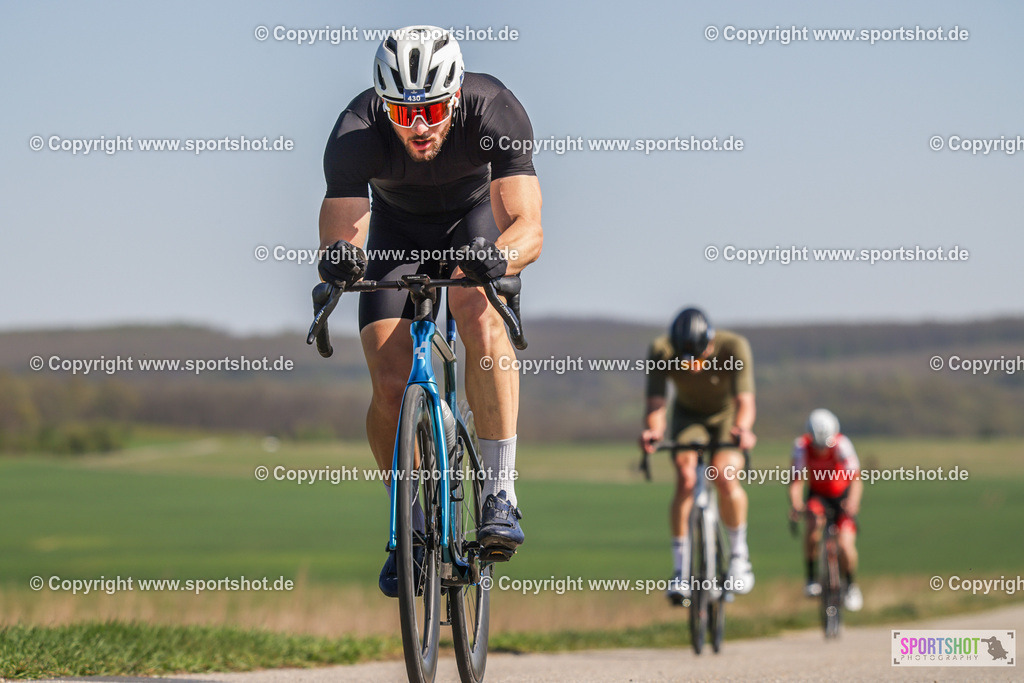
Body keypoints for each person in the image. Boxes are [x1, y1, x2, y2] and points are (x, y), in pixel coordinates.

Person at [316, 26, 543, 597]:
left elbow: (528, 227)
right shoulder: (355, 131)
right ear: (382, 103)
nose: (419, 126)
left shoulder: (494, 110)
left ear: (457, 95)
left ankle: (499, 492)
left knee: (479, 314)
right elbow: (343, 237)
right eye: (403, 112)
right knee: (389, 375)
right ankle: (408, 522)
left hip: (474, 226)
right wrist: (339, 261)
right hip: (396, 234)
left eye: (434, 110)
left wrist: (500, 257)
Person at [640, 307, 757, 603]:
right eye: (685, 360)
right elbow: (656, 405)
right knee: (686, 478)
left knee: (725, 475)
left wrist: (743, 430)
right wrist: (654, 431)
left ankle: (739, 557)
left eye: (699, 358)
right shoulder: (661, 350)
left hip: (726, 418)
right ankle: (680, 571)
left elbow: (745, 402)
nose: (693, 367)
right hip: (688, 418)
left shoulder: (734, 347)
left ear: (711, 342)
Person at [788, 408, 864, 612]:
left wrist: (853, 502)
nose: (821, 450)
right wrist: (795, 503)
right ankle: (811, 578)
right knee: (813, 527)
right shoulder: (801, 447)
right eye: (818, 446)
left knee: (846, 546)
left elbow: (856, 479)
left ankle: (851, 585)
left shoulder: (842, 444)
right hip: (818, 496)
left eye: (825, 446)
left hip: (841, 497)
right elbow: (796, 480)